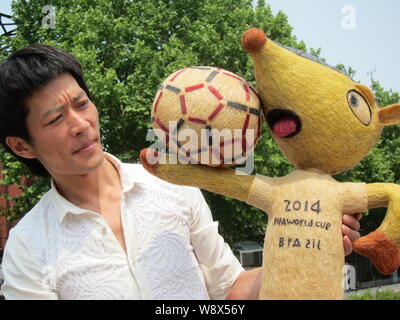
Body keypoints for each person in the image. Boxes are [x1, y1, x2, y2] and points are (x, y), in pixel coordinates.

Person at [0, 45, 362, 300]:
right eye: (55, 118)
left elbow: (230, 288)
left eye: (81, 104)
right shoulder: (29, 246)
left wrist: (305, 250)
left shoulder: (173, 183)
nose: (80, 124)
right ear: (22, 145)